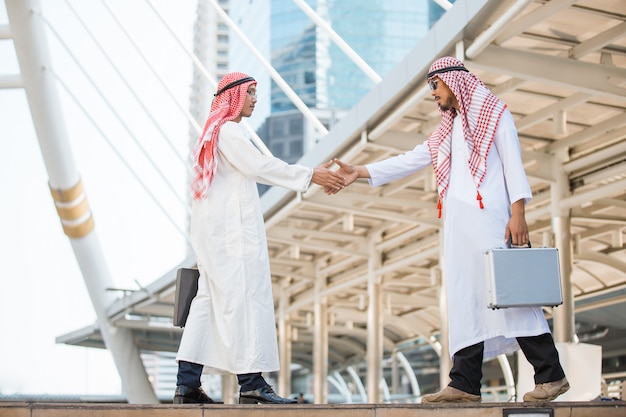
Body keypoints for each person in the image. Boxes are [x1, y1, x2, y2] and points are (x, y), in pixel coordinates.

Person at [331, 56, 569, 403]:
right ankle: (464, 384)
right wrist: (360, 171)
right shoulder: (449, 127)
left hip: (492, 223)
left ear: (453, 81)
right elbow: (412, 158)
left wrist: (518, 213)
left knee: (513, 298)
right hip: (459, 229)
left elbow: (514, 163)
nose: (432, 94)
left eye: (434, 85)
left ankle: (552, 375)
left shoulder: (494, 112)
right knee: (464, 300)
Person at [174, 72, 346, 405]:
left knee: (207, 304)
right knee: (246, 303)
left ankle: (186, 385)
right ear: (233, 96)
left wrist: (310, 174)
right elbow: (259, 166)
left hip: (213, 239)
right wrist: (311, 175)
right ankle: (252, 384)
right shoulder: (230, 131)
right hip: (235, 237)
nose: (255, 98)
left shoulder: (212, 134)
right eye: (250, 92)